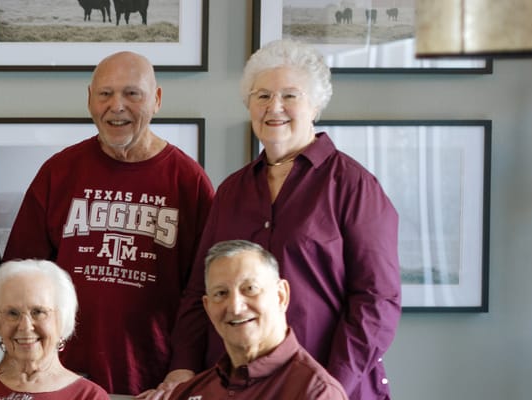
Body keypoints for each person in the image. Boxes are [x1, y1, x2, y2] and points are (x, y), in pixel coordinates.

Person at [165, 39, 400, 400]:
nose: (274, 107)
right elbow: (201, 289)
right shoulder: (232, 191)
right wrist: (183, 367)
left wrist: (330, 385)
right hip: (235, 386)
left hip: (330, 384)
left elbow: (377, 301)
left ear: (316, 104)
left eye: (290, 95)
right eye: (262, 96)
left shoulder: (353, 186)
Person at [1, 51, 215, 395]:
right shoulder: (60, 172)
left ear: (156, 100)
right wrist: (19, 356)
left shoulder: (188, 181)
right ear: (89, 99)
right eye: (105, 93)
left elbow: (206, 289)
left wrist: (184, 366)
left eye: (132, 93)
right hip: (60, 377)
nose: (117, 105)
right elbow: (20, 275)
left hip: (154, 382)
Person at [165, 240, 348, 400]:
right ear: (207, 307)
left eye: (250, 288)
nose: (235, 308)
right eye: (221, 293)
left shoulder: (316, 393)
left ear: (281, 295)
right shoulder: (189, 392)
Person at [0, 260, 108, 400]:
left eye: (38, 312)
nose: (25, 326)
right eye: (12, 313)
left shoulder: (89, 397)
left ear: (62, 319)